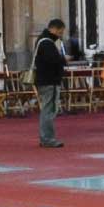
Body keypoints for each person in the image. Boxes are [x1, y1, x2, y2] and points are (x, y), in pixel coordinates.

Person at [34, 19, 69, 147]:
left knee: (47, 109)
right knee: (49, 110)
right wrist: (64, 59)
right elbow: (53, 61)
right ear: (54, 29)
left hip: (44, 80)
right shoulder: (47, 43)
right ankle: (47, 138)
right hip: (50, 80)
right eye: (60, 32)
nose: (60, 35)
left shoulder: (41, 40)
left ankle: (46, 138)